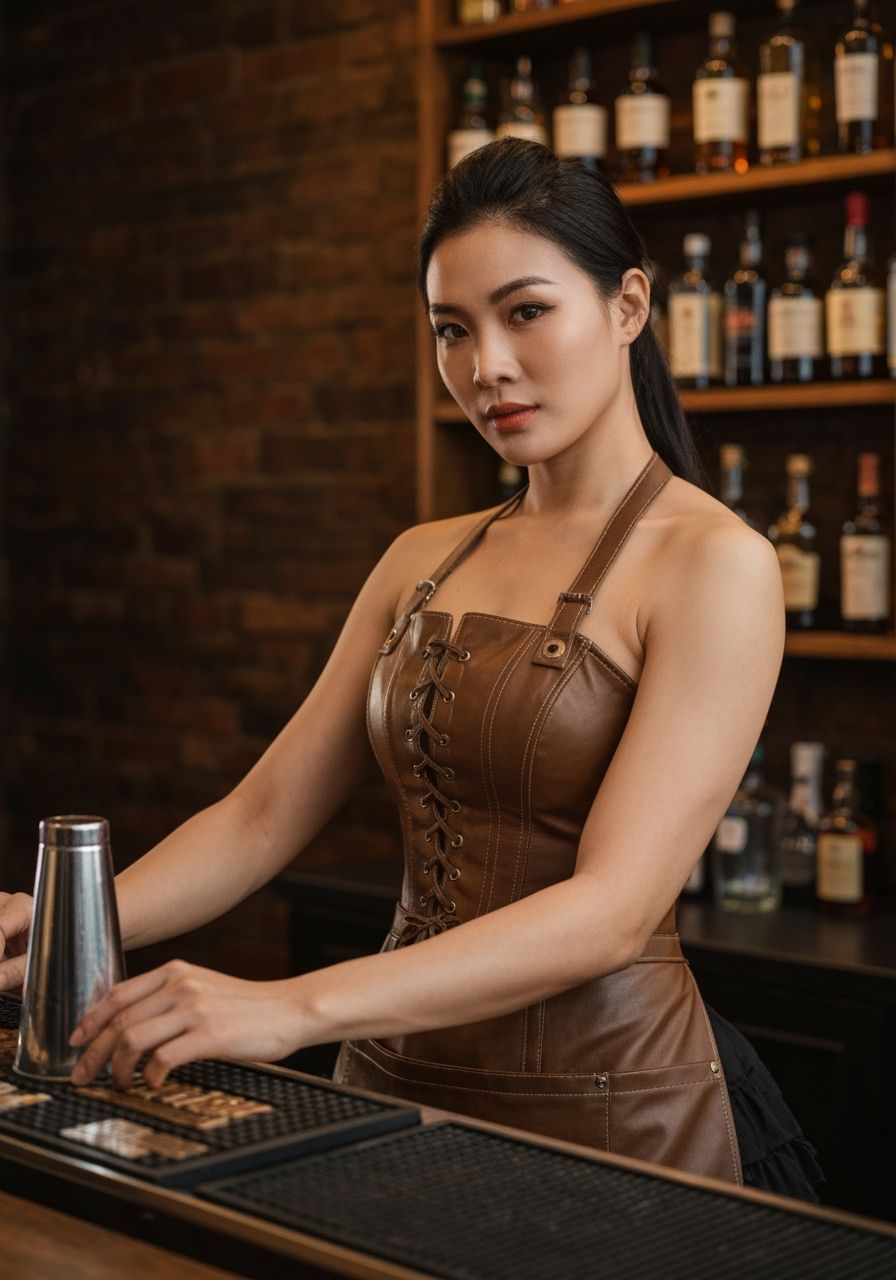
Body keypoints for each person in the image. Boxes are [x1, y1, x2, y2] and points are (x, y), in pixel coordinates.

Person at [0, 138, 821, 1199]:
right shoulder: (421, 556)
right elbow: (261, 815)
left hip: (612, 1108)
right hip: (391, 1079)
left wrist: (289, 1005)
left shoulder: (715, 563)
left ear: (626, 305)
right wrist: (76, 912)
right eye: (451, 328)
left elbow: (613, 906)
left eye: (524, 312)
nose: (486, 366)